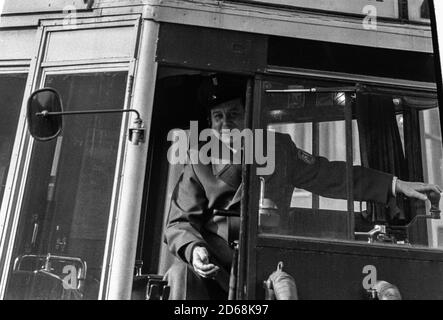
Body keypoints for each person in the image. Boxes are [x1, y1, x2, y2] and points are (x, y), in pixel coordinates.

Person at [163, 74, 442, 300]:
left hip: (268, 267)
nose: (226, 124)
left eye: (233, 114)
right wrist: (194, 250)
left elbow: (331, 175)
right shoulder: (199, 161)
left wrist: (394, 185)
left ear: (249, 116)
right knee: (179, 275)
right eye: (218, 117)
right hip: (217, 272)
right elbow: (177, 223)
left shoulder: (278, 150)